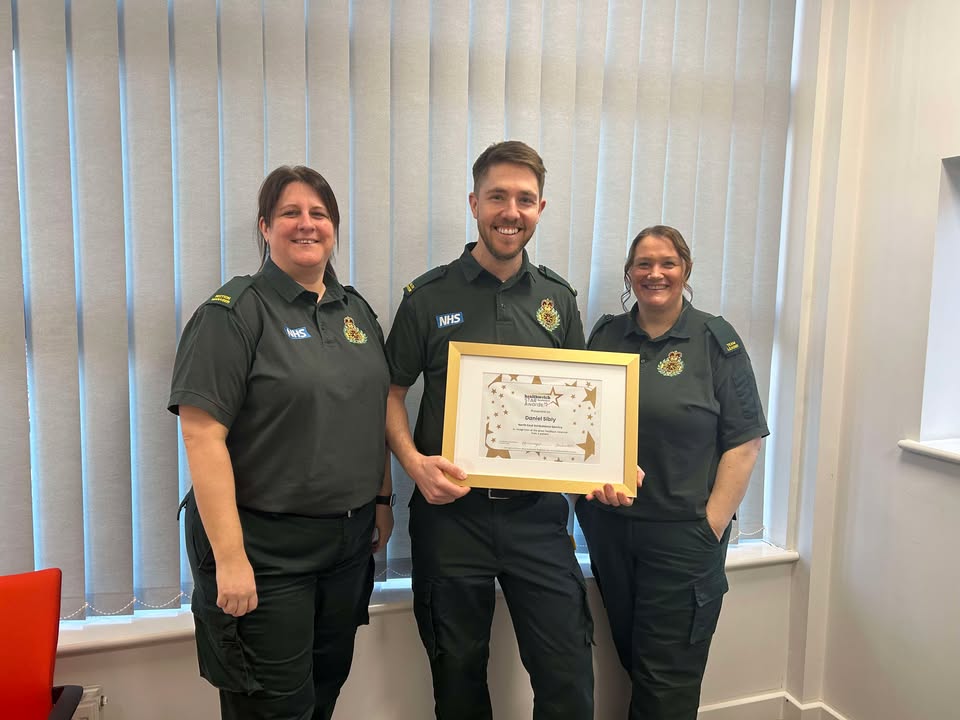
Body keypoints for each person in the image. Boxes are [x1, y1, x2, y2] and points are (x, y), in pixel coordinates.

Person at [168, 165, 393, 720]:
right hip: (264, 550)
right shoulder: (234, 312)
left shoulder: (356, 312)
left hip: (346, 545)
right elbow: (201, 434)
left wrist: (383, 500)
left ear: (335, 227)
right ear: (266, 226)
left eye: (319, 213)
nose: (306, 224)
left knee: (323, 692)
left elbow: (372, 414)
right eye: (291, 213)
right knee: (272, 708)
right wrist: (231, 560)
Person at [385, 141, 595, 719]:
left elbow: (584, 403)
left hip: (537, 518)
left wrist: (607, 465)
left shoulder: (558, 299)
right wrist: (413, 463)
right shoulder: (427, 297)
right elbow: (390, 393)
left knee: (567, 676)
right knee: (457, 679)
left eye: (525, 199)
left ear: (541, 208)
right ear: (474, 202)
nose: (511, 211)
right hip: (451, 516)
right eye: (498, 196)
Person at [576, 224, 769, 719]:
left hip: (683, 538)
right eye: (643, 263)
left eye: (667, 263)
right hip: (612, 532)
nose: (654, 273)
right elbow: (581, 423)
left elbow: (744, 442)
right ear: (629, 273)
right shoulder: (606, 335)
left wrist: (710, 528)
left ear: (685, 270)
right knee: (635, 664)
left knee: (668, 684)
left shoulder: (715, 341)